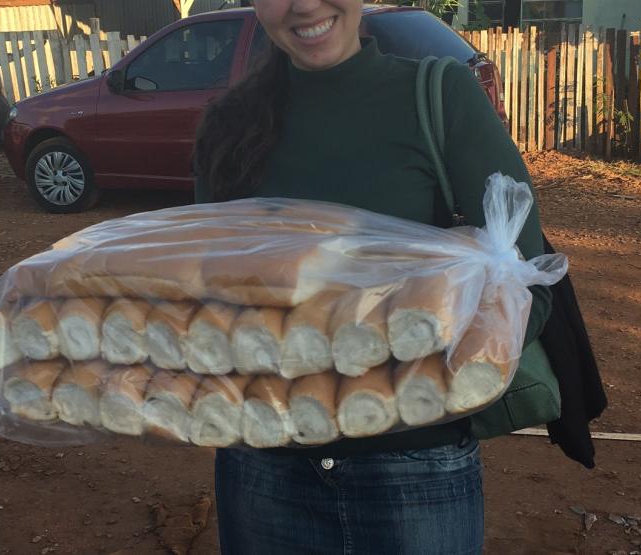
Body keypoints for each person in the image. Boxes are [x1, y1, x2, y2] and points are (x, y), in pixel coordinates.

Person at [192, 0, 551, 551]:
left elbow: (525, 285)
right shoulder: (228, 125)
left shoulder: (439, 97)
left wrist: (427, 378)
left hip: (413, 468)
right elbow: (209, 291)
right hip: (264, 463)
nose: (306, 5)